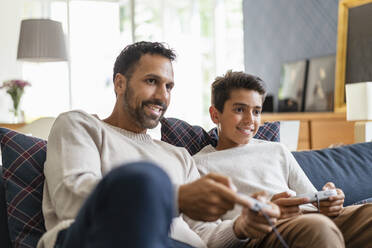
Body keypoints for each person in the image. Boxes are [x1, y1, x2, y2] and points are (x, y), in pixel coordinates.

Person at [38, 42, 280, 248]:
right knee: (145, 177)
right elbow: (73, 201)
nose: (162, 96)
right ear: (120, 83)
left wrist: (240, 226)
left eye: (169, 86)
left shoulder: (180, 156)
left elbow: (204, 234)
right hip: (99, 238)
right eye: (152, 81)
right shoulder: (80, 126)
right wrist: (176, 198)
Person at [193, 70, 372, 247]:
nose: (250, 120)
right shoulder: (199, 165)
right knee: (318, 227)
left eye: (256, 112)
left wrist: (329, 203)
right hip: (261, 234)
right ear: (215, 114)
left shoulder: (277, 150)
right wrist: (251, 219)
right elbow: (202, 234)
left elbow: (313, 200)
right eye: (240, 109)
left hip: (309, 221)